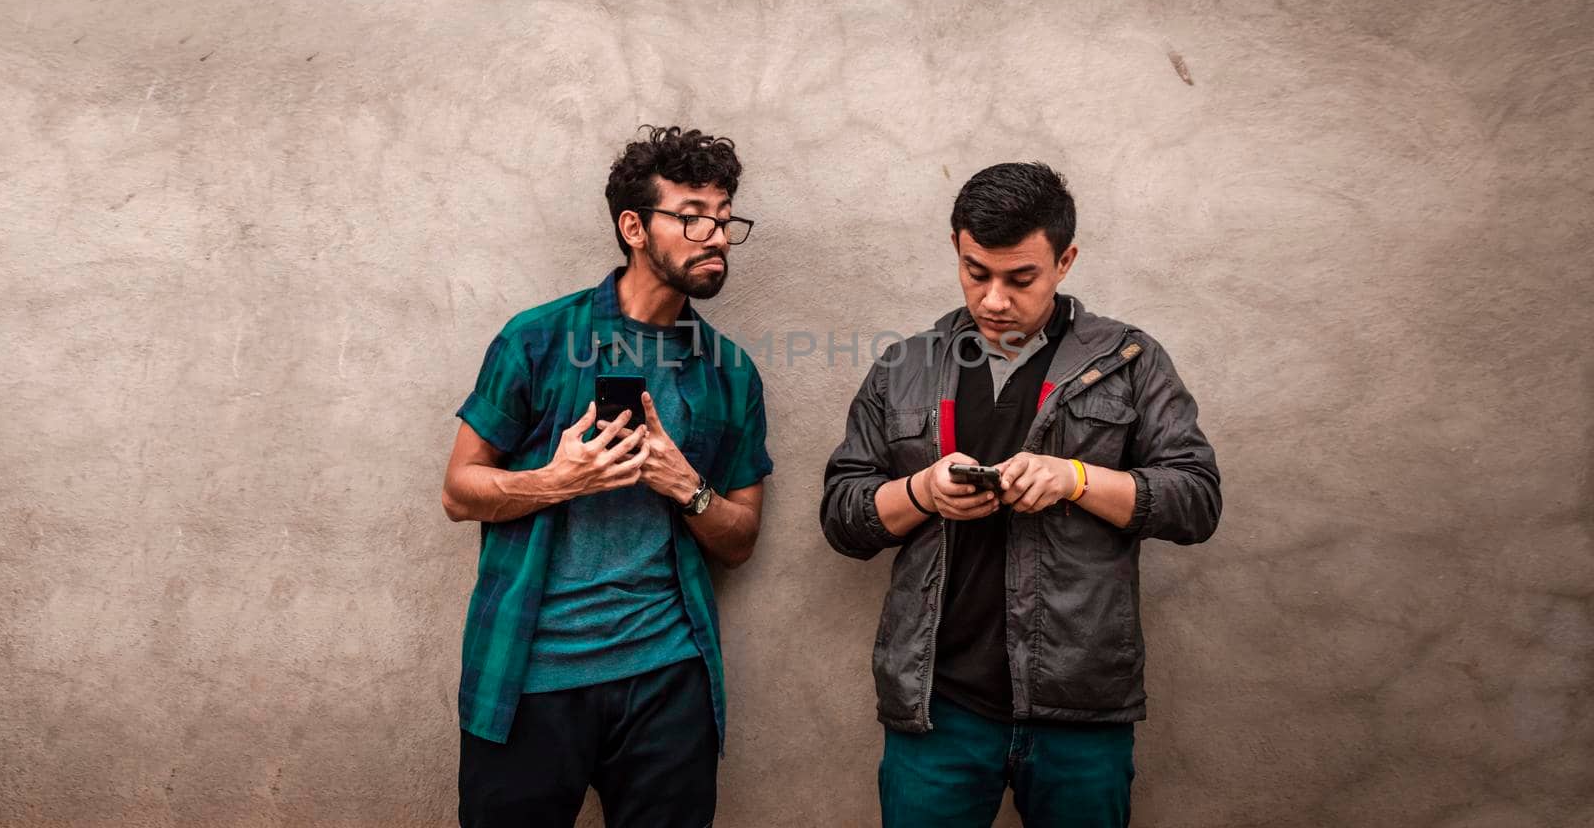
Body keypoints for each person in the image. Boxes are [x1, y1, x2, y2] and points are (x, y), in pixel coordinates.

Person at [820, 162, 1221, 827]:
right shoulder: (904, 366)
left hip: (1081, 712)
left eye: (1020, 278)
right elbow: (842, 515)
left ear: (1065, 261)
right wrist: (923, 491)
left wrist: (1078, 479)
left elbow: (1198, 499)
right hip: (936, 710)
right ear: (957, 250)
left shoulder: (1131, 359)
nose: (995, 300)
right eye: (978, 273)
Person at [441, 125, 773, 828]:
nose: (715, 234)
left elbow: (740, 540)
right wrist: (557, 480)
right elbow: (458, 490)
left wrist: (688, 486)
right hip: (530, 677)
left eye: (724, 218)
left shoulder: (729, 372)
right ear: (634, 226)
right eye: (691, 216)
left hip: (667, 678)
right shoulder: (535, 340)